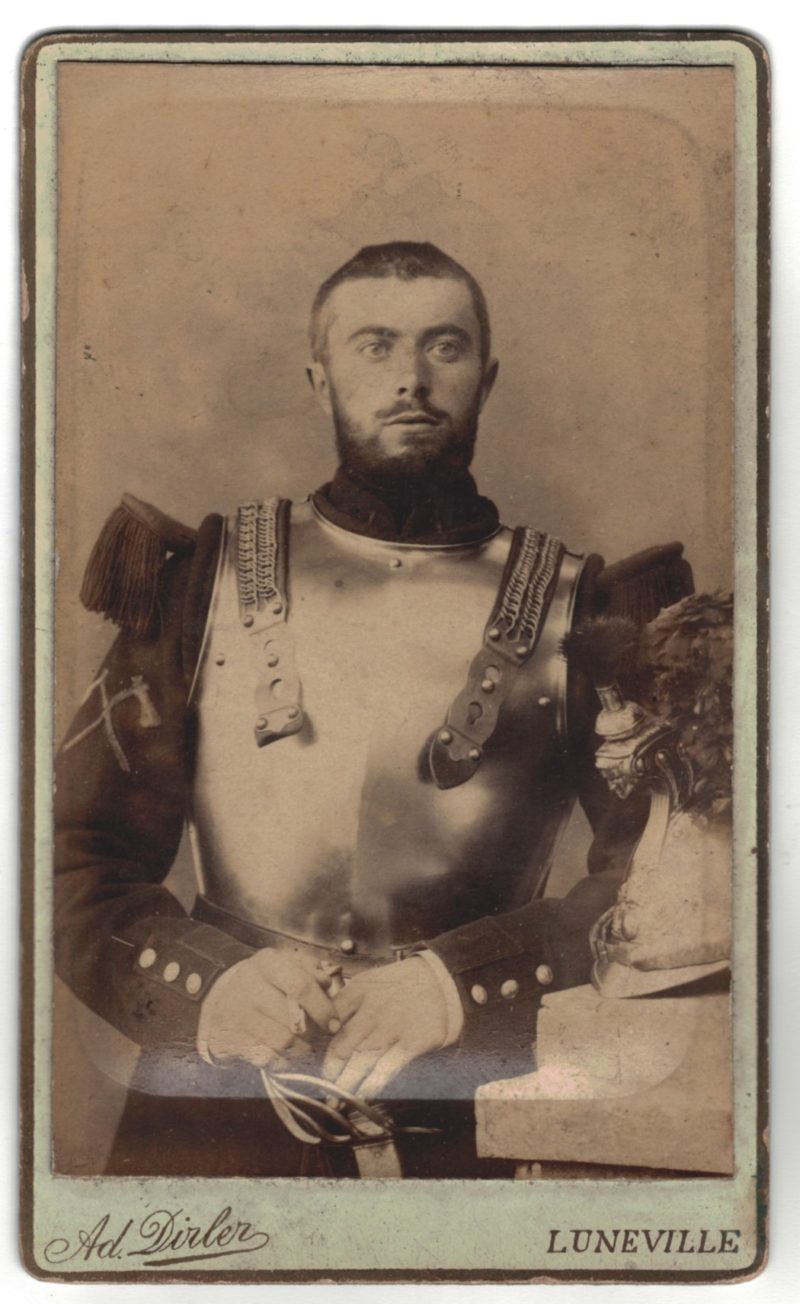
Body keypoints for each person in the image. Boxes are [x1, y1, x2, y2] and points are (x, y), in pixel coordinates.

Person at [54, 242, 693, 1178]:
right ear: (320, 377)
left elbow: (674, 885)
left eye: (445, 347)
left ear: (488, 375)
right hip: (215, 1112)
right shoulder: (202, 582)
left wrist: (466, 984)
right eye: (374, 346)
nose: (411, 379)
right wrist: (207, 985)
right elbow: (68, 856)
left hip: (479, 1113)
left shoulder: (587, 606)